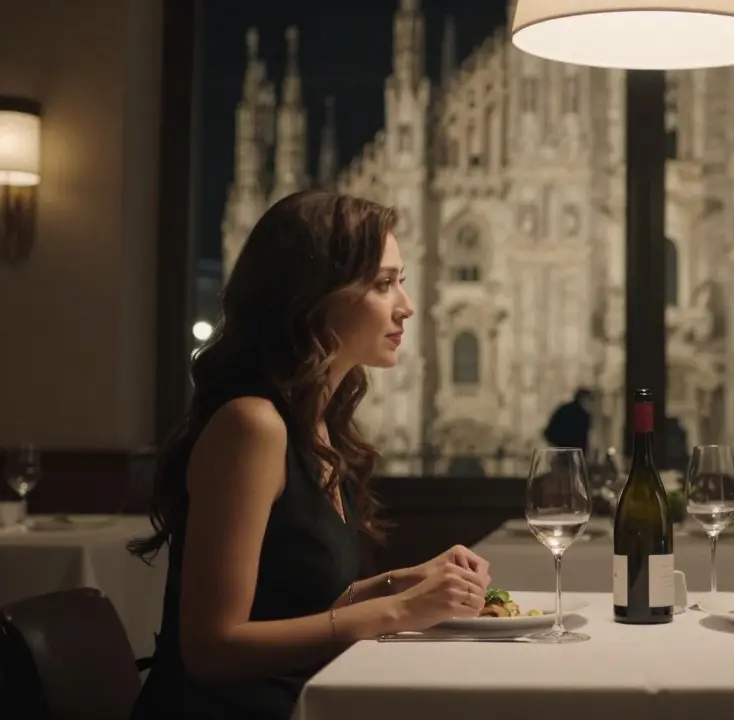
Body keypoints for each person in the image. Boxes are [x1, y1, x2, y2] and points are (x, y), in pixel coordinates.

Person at [128, 191, 492, 719]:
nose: (407, 306)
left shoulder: (317, 427)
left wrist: (405, 581)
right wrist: (398, 610)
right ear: (317, 295)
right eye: (383, 284)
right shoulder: (251, 426)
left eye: (401, 281)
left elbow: (296, 609)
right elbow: (210, 651)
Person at [543, 387, 592, 453]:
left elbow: (548, 432)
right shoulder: (582, 414)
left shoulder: (563, 409)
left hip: (561, 452)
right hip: (574, 454)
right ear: (583, 399)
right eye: (589, 400)